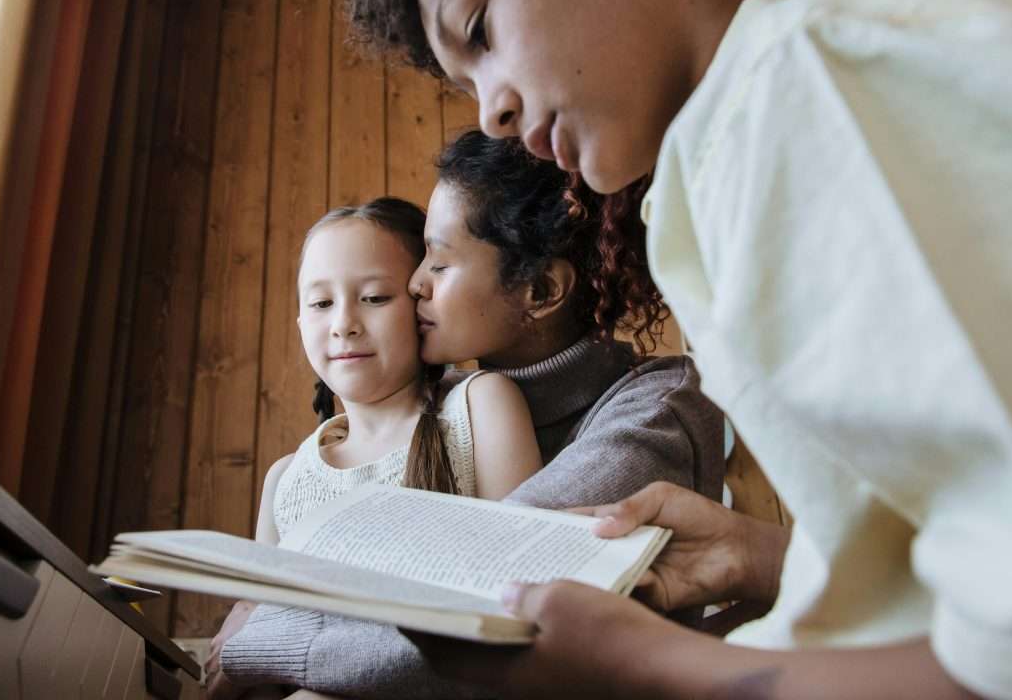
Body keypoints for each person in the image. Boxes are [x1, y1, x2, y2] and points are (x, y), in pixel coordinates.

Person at [316, 0, 1012, 698]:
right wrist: (755, 556)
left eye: (480, 27)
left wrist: (643, 666)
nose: (492, 109)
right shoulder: (728, 156)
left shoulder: (799, 90)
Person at [208, 131, 727, 698]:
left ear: (541, 289)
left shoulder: (652, 412)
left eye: (440, 262)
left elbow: (484, 601)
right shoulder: (440, 410)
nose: (414, 282)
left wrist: (257, 636)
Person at [205, 196, 544, 696]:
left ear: (422, 305)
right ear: (300, 323)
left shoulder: (479, 408)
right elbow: (256, 650)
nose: (343, 322)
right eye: (321, 303)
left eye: (375, 298)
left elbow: (521, 603)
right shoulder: (286, 481)